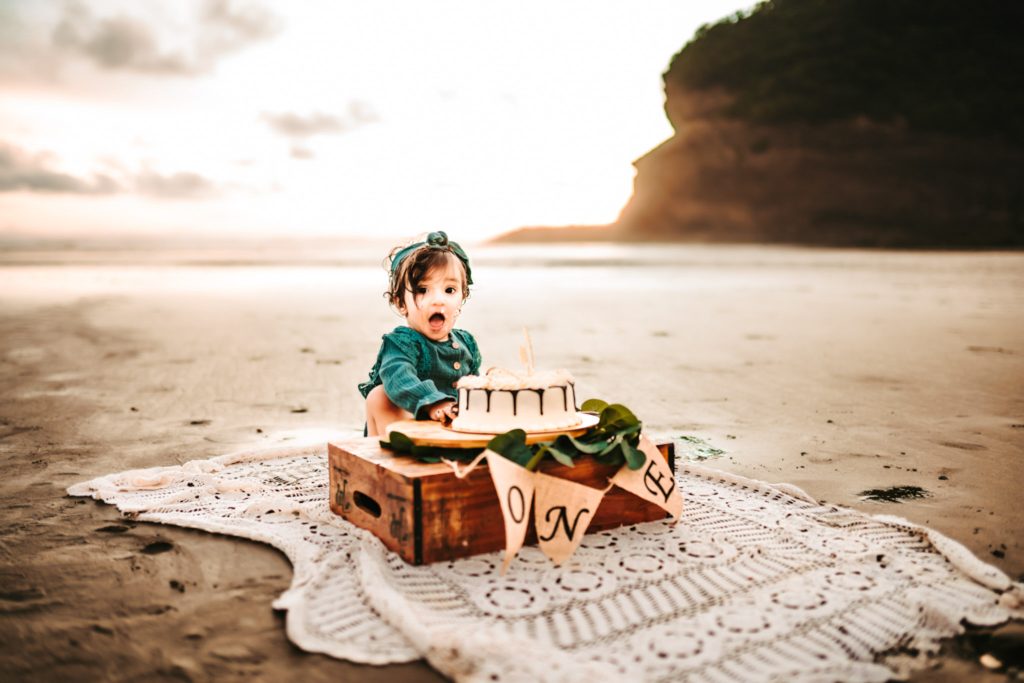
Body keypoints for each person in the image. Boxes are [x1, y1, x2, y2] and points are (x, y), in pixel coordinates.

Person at [359, 231, 482, 436]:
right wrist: (433, 404)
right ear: (400, 303)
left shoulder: (466, 343)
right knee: (379, 396)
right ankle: (401, 455)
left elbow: (473, 385)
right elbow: (399, 378)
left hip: (453, 429)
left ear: (463, 296)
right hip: (402, 431)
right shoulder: (401, 343)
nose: (438, 300)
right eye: (422, 290)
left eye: (449, 290)